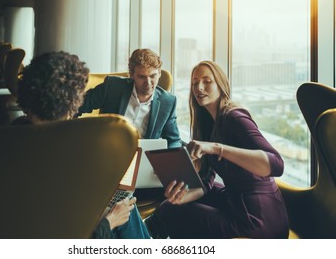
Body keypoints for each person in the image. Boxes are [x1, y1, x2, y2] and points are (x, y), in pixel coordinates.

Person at [144, 60, 289, 238]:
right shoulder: (207, 123)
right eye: (195, 83)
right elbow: (206, 181)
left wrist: (216, 148)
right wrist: (181, 198)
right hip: (236, 201)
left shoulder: (235, 118)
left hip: (258, 217)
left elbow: (277, 165)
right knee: (171, 204)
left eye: (207, 81)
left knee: (172, 213)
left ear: (221, 84)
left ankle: (137, 239)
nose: (199, 87)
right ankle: (142, 234)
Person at [15, 51, 150, 239]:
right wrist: (109, 220)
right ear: (72, 103)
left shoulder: (15, 134)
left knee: (121, 202)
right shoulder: (57, 152)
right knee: (124, 206)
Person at [77, 48, 181, 148]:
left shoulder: (168, 102)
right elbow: (77, 105)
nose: (148, 83)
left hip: (143, 158)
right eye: (142, 77)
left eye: (153, 76)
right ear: (131, 75)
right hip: (107, 152)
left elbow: (174, 141)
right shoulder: (112, 87)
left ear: (159, 73)